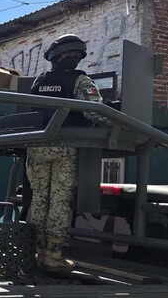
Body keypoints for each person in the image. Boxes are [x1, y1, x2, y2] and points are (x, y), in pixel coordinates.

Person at [28, 34, 112, 270]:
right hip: (64, 146)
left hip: (38, 145)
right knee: (59, 201)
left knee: (39, 199)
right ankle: (52, 255)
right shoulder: (80, 80)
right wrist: (118, 124)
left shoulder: (39, 81)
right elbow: (96, 112)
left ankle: (36, 251)